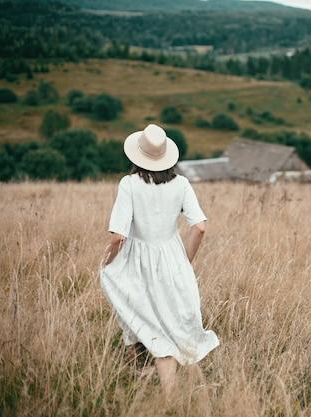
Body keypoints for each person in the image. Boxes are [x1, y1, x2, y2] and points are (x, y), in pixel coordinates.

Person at [99, 123, 220, 393]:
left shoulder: (129, 184)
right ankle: (152, 379)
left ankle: (157, 389)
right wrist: (184, 261)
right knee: (175, 323)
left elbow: (118, 237)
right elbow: (200, 227)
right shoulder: (182, 184)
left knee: (136, 314)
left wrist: (106, 263)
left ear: (137, 155)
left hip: (136, 262)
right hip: (172, 260)